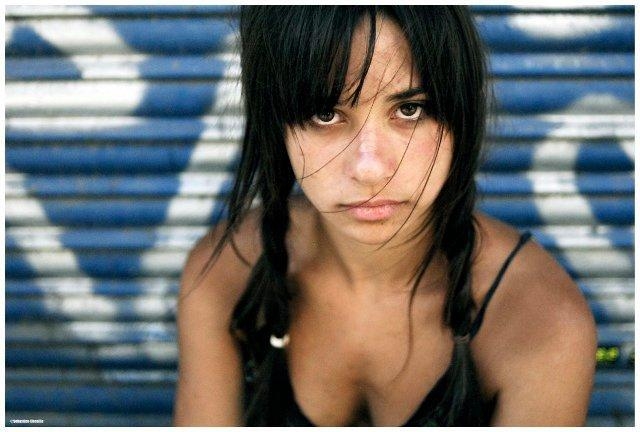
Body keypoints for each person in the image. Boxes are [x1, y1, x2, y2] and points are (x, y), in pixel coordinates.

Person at [173, 6, 597, 426]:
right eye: (326, 114)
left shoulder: (539, 323)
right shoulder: (226, 273)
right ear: (277, 123)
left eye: (409, 109)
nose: (370, 169)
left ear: (459, 112)